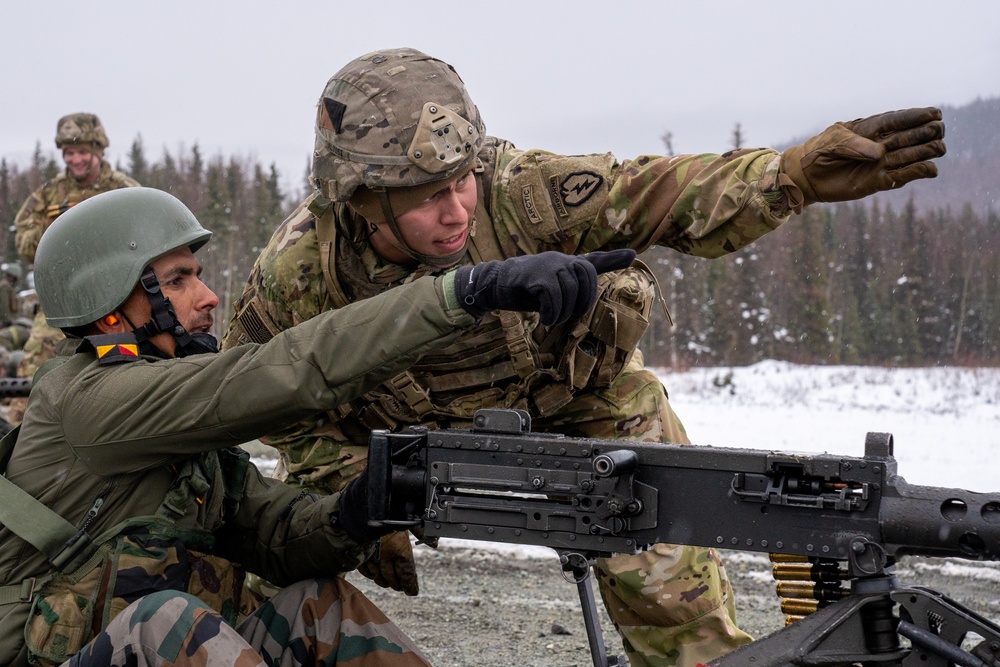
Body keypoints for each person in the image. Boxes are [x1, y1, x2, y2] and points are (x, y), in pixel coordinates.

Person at [222, 48, 946, 667]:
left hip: (585, 414)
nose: (457, 210)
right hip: (400, 443)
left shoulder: (517, 193)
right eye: (427, 197)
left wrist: (790, 175)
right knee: (270, 577)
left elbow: (654, 192)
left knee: (678, 615)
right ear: (362, 199)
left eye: (462, 180)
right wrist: (353, 488)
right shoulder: (298, 276)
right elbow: (245, 397)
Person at [0, 186, 630, 667]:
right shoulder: (86, 403)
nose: (207, 296)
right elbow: (279, 373)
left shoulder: (183, 443)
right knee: (163, 622)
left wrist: (357, 512)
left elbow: (277, 537)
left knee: (317, 607)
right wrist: (462, 293)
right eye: (177, 280)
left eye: (195, 274)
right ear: (111, 313)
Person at [8, 112, 141, 426]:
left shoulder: (125, 190)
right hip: (64, 297)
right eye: (69, 153)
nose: (76, 160)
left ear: (98, 151)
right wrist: (55, 233)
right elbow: (25, 243)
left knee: (126, 362)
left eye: (82, 152)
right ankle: (22, 435)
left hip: (115, 294)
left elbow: (143, 237)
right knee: (35, 363)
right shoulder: (48, 196)